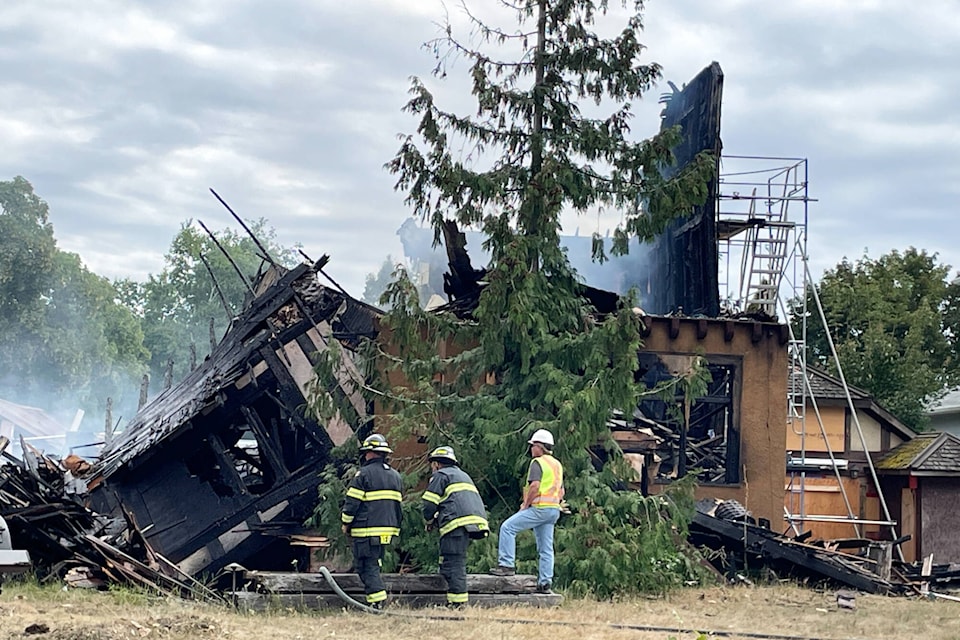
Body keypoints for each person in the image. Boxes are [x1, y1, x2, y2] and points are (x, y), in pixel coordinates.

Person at [489, 428, 564, 593]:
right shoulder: (557, 465)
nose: (531, 449)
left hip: (539, 508)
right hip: (553, 510)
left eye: (533, 445)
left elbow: (535, 486)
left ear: (540, 446)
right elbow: (561, 491)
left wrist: (525, 504)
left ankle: (506, 565)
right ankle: (545, 583)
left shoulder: (537, 463)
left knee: (507, 527)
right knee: (546, 548)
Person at [340, 433, 403, 609]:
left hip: (367, 529)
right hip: (386, 530)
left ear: (370, 453)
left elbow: (352, 503)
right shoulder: (395, 476)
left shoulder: (363, 474)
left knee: (366, 566)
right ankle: (377, 600)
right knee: (374, 562)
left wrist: (346, 523)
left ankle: (377, 603)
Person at [422, 445, 489, 607]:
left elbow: (429, 504)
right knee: (448, 561)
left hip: (456, 524)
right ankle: (452, 598)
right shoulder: (462, 475)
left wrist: (429, 520)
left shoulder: (441, 475)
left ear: (437, 464)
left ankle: (458, 604)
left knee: (454, 563)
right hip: (470, 523)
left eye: (432, 464)